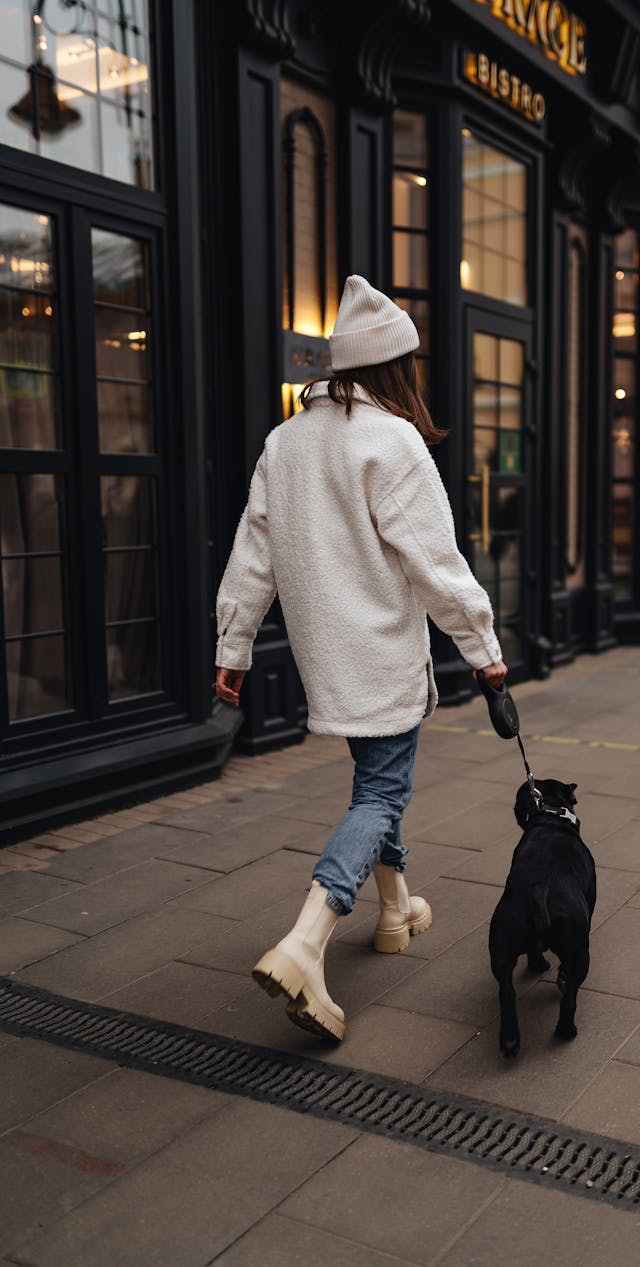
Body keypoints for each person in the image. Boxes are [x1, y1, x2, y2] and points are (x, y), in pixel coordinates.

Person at [214, 275, 507, 1042]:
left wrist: (234, 642)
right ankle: (306, 942)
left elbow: (254, 552)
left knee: (375, 777)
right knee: (381, 792)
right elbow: (435, 564)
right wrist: (484, 648)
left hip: (326, 655)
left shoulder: (286, 441)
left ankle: (395, 910)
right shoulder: (392, 441)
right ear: (394, 367)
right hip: (379, 651)